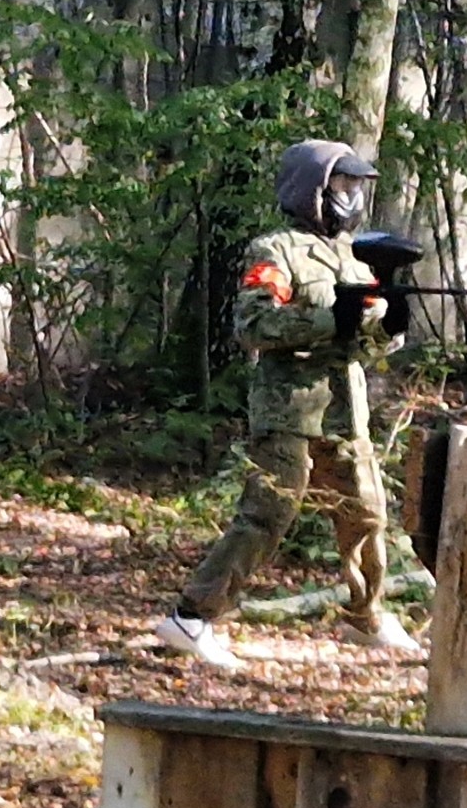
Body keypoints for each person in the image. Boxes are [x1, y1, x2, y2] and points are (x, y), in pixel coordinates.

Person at [156, 138, 421, 669]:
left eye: (356, 185)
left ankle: (366, 616)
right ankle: (191, 617)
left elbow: (365, 340)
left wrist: (389, 325)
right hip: (288, 408)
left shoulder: (355, 254)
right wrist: (330, 319)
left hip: (345, 409)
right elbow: (253, 324)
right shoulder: (275, 251)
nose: (351, 194)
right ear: (313, 189)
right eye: (342, 183)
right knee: (267, 515)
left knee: (367, 514)